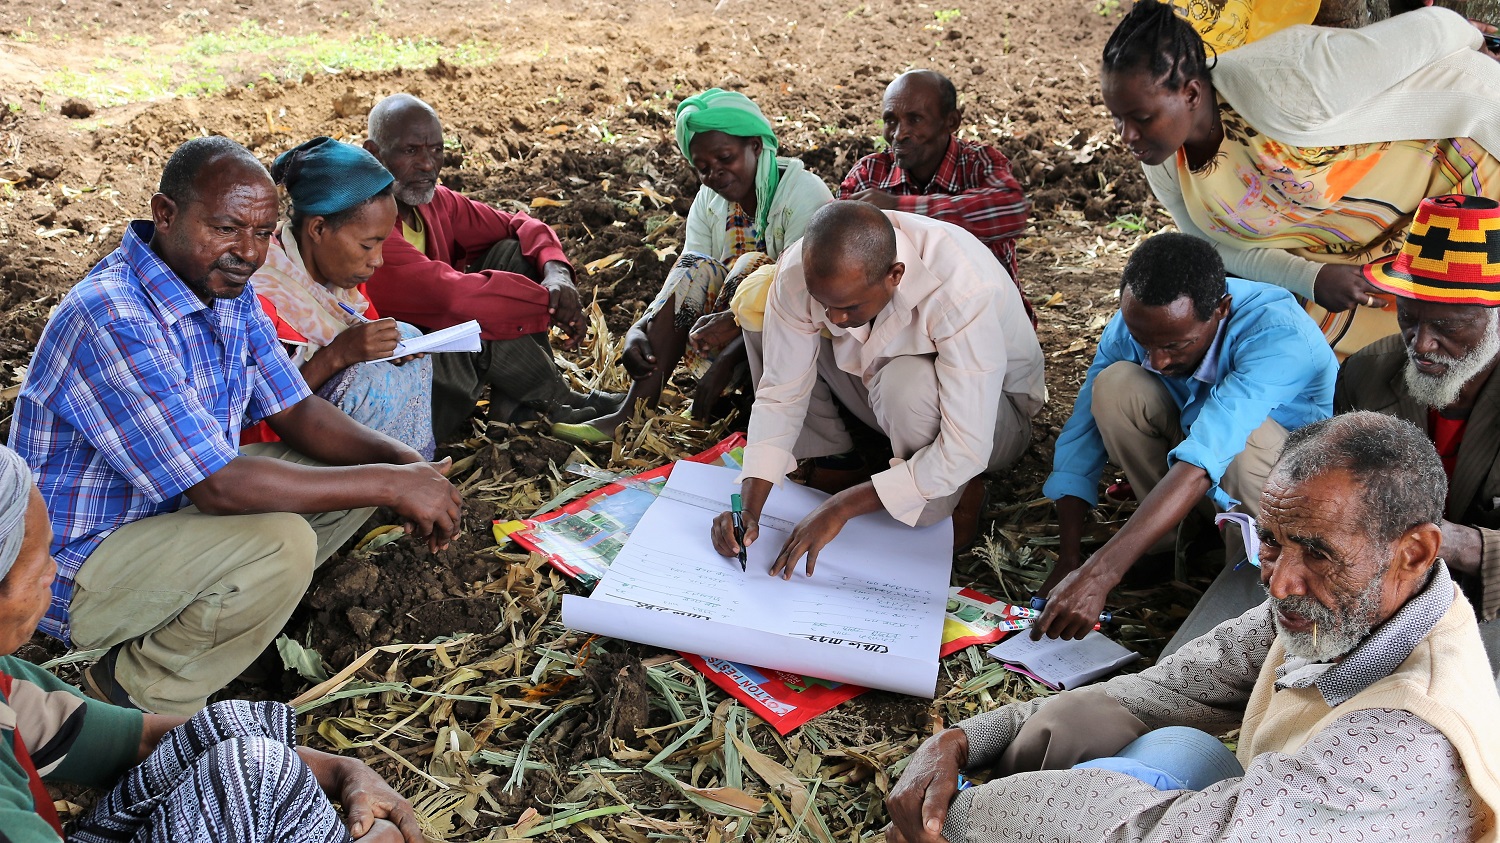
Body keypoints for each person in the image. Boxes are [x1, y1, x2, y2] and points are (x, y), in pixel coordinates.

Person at [887, 412, 1500, 843]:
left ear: (1415, 553)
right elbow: (1155, 692)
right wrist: (965, 740)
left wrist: (960, 818)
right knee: (1138, 735)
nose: (1279, 582)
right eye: (1271, 544)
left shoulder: (1406, 736)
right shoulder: (1338, 611)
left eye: (1317, 553)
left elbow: (1170, 835)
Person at [8, 137, 463, 715]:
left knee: (349, 472)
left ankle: (227, 620)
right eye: (227, 229)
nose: (248, 252)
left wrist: (405, 465)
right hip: (77, 569)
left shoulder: (224, 289)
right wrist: (390, 485)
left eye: (263, 232)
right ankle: (132, 691)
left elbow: (295, 408)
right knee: (283, 541)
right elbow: (217, 484)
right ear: (165, 215)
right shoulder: (111, 315)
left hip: (171, 526)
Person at [0, 445, 424, 843]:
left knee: (254, 766)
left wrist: (342, 769)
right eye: (37, 565)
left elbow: (139, 741)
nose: (52, 573)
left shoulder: (9, 685)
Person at [1103, 0, 1500, 355]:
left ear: (1190, 93)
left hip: (1465, 164)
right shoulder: (1163, 160)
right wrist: (1312, 277)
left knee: (1461, 328)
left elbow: (1429, 29)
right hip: (1357, 238)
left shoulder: (1290, 76)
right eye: (1117, 118)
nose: (1127, 136)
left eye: (1141, 118)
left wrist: (1470, 36)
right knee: (1365, 353)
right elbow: (1209, 244)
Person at [1036, 232, 1335, 648]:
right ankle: (1172, 544)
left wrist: (1100, 573)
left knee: (1242, 442)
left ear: (1221, 310)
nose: (1157, 360)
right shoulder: (1143, 321)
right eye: (1146, 343)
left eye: (1176, 345)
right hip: (1201, 465)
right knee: (1115, 385)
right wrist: (1070, 557)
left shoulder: (1277, 335)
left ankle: (1251, 577)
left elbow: (1207, 454)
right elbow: (1082, 433)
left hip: (1283, 493)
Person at [708, 201, 1044, 565]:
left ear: (895, 275)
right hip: (887, 390)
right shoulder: (801, 275)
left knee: (907, 385)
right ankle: (835, 461)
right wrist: (749, 506)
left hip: (995, 418)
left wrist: (842, 507)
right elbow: (780, 393)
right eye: (824, 303)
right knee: (761, 315)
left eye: (849, 306)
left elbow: (967, 446)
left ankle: (960, 492)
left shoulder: (960, 291)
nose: (834, 317)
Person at [550, 88, 834, 445]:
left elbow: (799, 293)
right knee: (699, 266)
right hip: (721, 337)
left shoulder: (803, 195)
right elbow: (687, 273)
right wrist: (642, 326)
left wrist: (728, 360)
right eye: (703, 168)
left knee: (755, 267)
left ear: (756, 146)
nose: (715, 173)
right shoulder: (710, 200)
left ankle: (756, 416)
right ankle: (630, 416)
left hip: (795, 343)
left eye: (726, 158)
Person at [361, 94, 620, 441]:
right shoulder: (368, 229)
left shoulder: (436, 203)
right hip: (409, 381)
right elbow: (454, 300)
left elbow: (520, 225)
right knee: (481, 316)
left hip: (446, 349)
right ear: (374, 153)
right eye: (411, 151)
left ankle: (517, 407)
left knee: (514, 254)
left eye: (436, 150)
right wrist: (551, 304)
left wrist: (557, 273)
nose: (427, 164)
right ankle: (554, 402)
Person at [1336, 194, 1500, 685]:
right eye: (1409, 318)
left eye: (1447, 327)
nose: (1422, 345)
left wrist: (1462, 545)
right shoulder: (1367, 372)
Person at [243, 136, 435, 459]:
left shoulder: (342, 284)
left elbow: (368, 331)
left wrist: (390, 348)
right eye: (367, 245)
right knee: (367, 381)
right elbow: (262, 410)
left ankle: (413, 472)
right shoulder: (262, 295)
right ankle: (376, 489)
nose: (378, 260)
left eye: (382, 244)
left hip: (326, 426)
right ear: (318, 229)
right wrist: (338, 354)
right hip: (270, 451)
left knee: (411, 339)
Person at [840, 69, 1034, 326]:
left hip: (989, 323)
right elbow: (837, 243)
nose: (899, 134)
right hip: (903, 330)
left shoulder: (978, 163)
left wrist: (898, 209)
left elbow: (1010, 211)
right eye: (890, 120)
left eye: (915, 119)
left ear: (951, 122)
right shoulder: (869, 174)